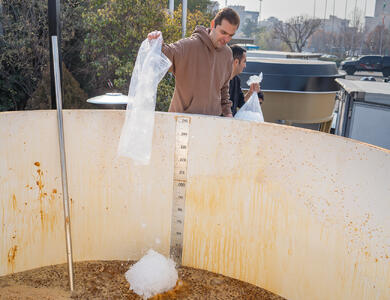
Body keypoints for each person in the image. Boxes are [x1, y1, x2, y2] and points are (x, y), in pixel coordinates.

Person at [148, 8, 240, 117]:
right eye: (223, 32)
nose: (226, 39)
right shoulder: (189, 46)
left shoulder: (227, 54)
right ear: (213, 24)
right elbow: (164, 55)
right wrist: (156, 41)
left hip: (212, 123)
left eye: (230, 35)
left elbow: (224, 89)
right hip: (182, 122)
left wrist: (228, 113)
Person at [229, 45, 264, 116]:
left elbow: (241, 102)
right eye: (244, 62)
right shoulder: (220, 80)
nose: (245, 66)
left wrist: (251, 92)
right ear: (236, 62)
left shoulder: (237, 80)